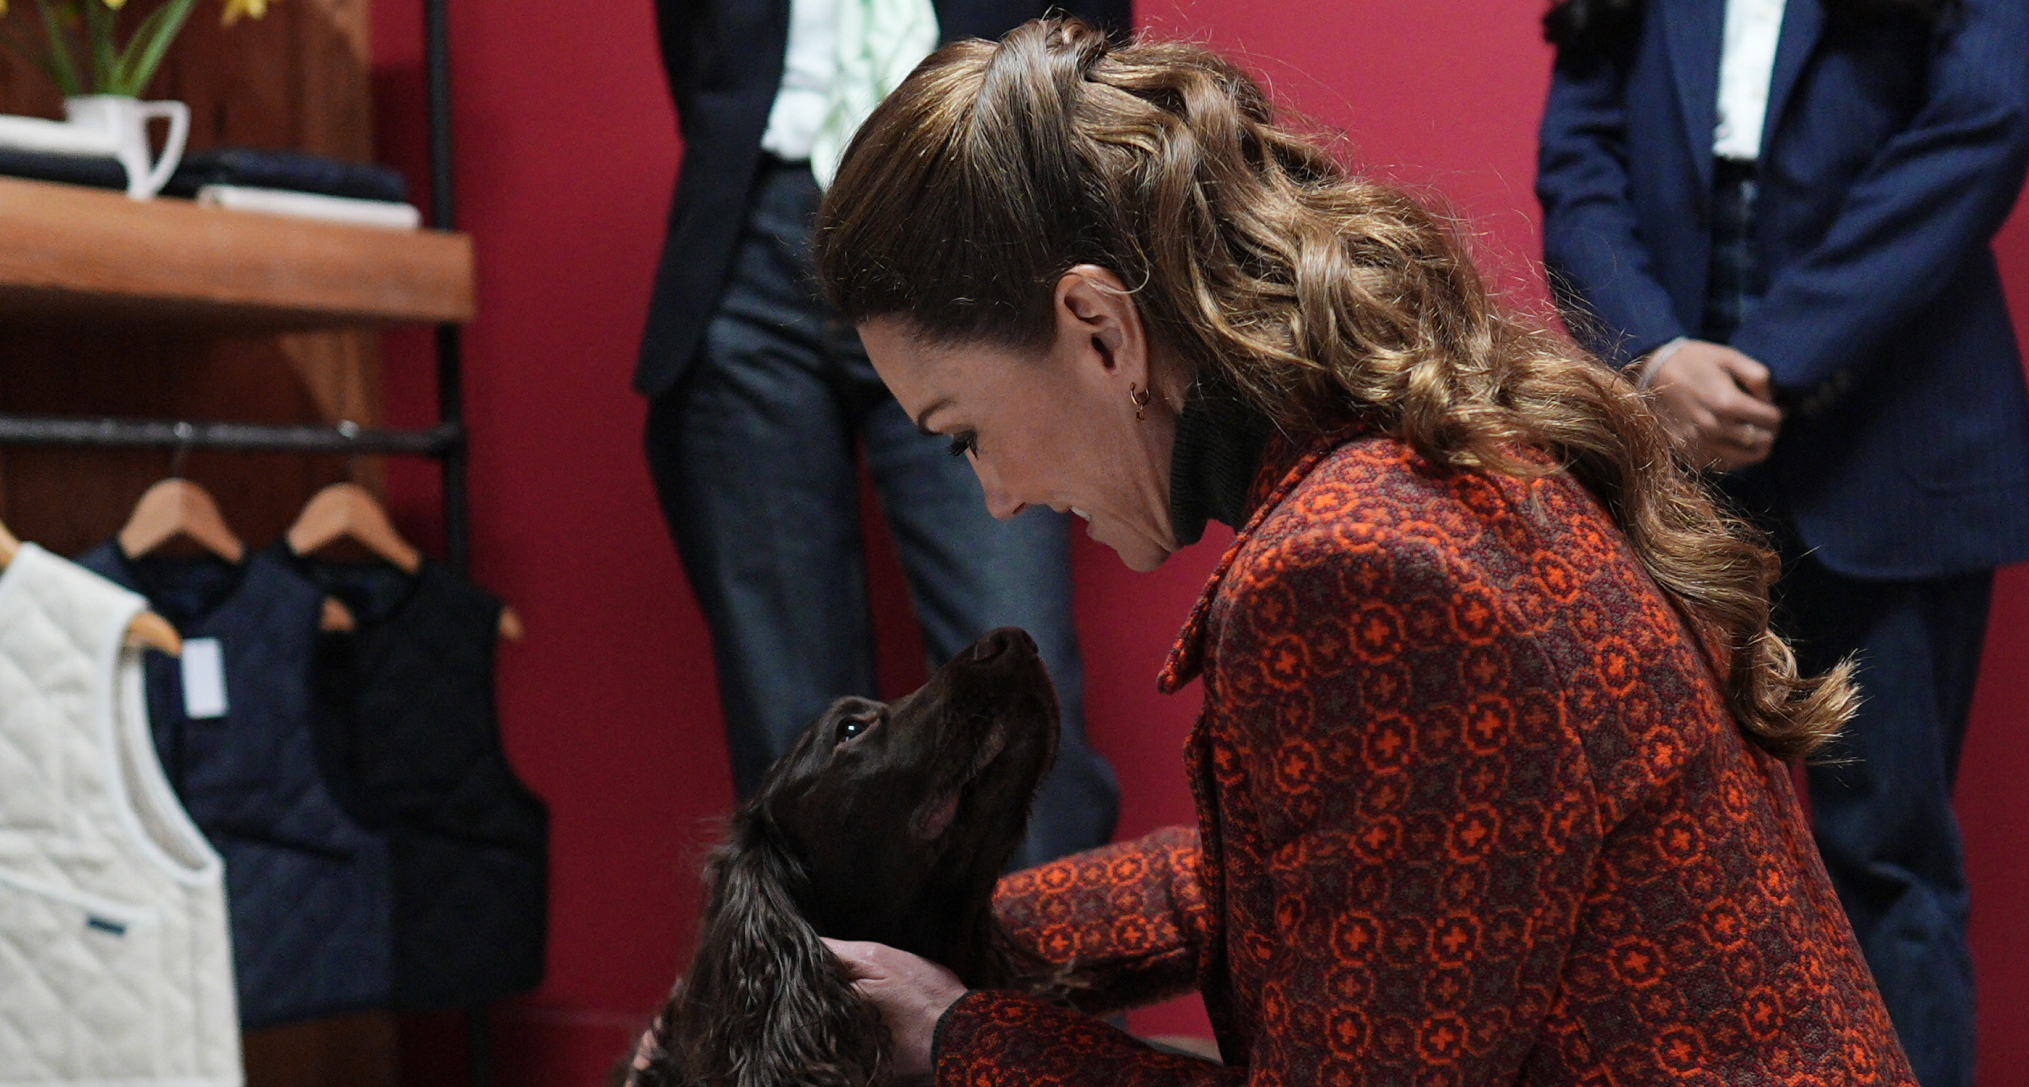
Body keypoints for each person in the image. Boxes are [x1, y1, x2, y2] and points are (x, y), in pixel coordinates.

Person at [806, 19, 1921, 1085]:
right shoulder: (1408, 461)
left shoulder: (1353, 566)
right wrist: (908, 954)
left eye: (964, 434)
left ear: (1097, 326)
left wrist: (962, 1039)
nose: (995, 498)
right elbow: (1310, 886)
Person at [1535, 1, 2029, 1082]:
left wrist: (1765, 363)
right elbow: (1577, 163)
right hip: (1674, 465)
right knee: (1667, 872)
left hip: (1890, 452)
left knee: (1888, 864)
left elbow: (1982, 127)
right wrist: (1657, 358)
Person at [637, 0, 1130, 867]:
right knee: (790, 732)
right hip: (752, 236)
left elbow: (1090, 34)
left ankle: (1046, 1002)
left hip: (972, 221)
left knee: (1021, 699)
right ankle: (830, 1005)